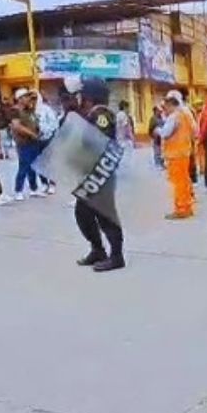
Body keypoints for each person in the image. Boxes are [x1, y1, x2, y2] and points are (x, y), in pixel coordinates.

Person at [72, 77, 125, 272]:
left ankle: (117, 256)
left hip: (100, 172)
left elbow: (98, 141)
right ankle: (97, 250)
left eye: (82, 95)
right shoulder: (91, 113)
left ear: (90, 96)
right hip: (90, 172)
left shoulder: (102, 114)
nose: (79, 98)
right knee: (83, 213)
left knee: (105, 215)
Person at [155, 90, 196, 220]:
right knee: (184, 181)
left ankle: (181, 209)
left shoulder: (174, 116)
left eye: (166, 105)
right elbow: (195, 131)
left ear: (172, 103)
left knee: (178, 183)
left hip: (175, 154)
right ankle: (187, 206)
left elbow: (165, 133)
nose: (165, 108)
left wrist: (158, 130)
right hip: (184, 152)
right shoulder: (186, 114)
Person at [10, 88, 45, 201]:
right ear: (19, 99)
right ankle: (18, 190)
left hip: (33, 141)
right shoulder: (15, 111)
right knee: (24, 166)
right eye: (25, 96)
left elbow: (36, 101)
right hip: (24, 142)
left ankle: (34, 188)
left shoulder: (29, 110)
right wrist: (31, 133)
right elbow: (17, 126)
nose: (28, 99)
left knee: (33, 166)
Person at [35, 91, 60, 193]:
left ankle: (52, 184)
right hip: (36, 141)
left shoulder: (46, 109)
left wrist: (45, 130)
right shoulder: (30, 111)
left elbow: (54, 124)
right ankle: (44, 183)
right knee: (40, 163)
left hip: (48, 139)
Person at [147, 104, 165, 170]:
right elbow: (150, 129)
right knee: (157, 151)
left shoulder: (161, 118)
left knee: (162, 151)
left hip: (162, 138)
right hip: (156, 138)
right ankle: (158, 164)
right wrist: (153, 136)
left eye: (160, 111)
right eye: (158, 111)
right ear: (155, 111)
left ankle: (162, 163)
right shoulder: (153, 119)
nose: (160, 112)